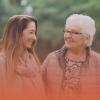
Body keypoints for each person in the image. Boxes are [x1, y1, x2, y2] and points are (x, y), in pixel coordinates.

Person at [42, 14, 100, 100]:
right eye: (66, 31)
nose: (68, 36)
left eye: (74, 33)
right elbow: (38, 87)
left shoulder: (97, 61)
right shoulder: (51, 58)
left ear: (87, 37)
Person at [0, 15, 44, 100]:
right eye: (31, 32)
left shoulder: (33, 62)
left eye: (35, 33)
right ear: (17, 33)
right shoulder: (2, 63)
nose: (34, 37)